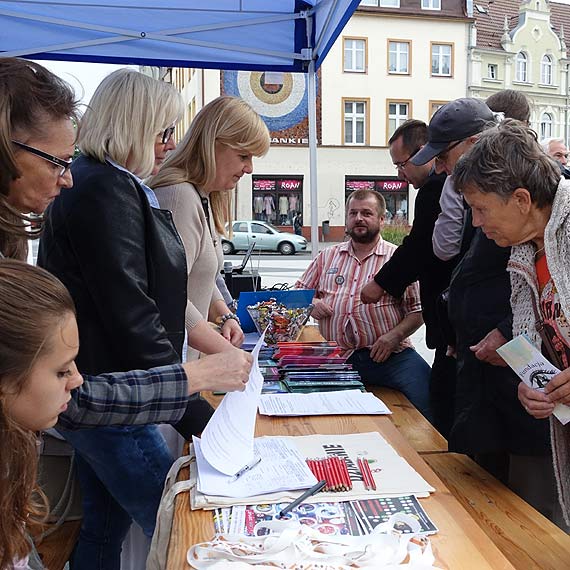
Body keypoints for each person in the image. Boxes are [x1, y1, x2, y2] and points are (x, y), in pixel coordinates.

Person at [37, 70, 230, 569]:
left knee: (105, 529)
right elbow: (133, 315)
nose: (168, 144)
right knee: (182, 533)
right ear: (133, 125)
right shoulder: (105, 189)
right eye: (162, 131)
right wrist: (195, 413)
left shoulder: (106, 183)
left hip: (107, 390)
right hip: (116, 397)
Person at [453, 118, 570, 529]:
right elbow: (530, 336)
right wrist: (532, 385)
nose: (478, 223)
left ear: (522, 198)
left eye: (482, 209)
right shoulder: (523, 248)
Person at [148, 96, 270, 359]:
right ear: (212, 145)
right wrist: (227, 353)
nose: (248, 168)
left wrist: (224, 315)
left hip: (187, 363)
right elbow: (168, 292)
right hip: (175, 366)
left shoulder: (198, 194)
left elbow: (202, 273)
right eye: (243, 156)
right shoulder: (179, 196)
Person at [296, 189, 432, 420]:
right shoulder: (327, 257)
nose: (359, 218)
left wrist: (394, 337)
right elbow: (299, 293)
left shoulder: (398, 259)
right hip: (336, 357)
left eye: (367, 213)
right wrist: (312, 302)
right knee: (306, 405)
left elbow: (418, 311)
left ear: (381, 219)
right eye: (353, 213)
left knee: (429, 400)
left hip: (391, 357)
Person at [360, 120, 457, 437]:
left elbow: (419, 248)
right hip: (447, 328)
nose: (399, 174)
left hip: (450, 328)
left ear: (424, 154)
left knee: (443, 407)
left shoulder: (435, 188)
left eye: (401, 164)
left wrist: (381, 283)